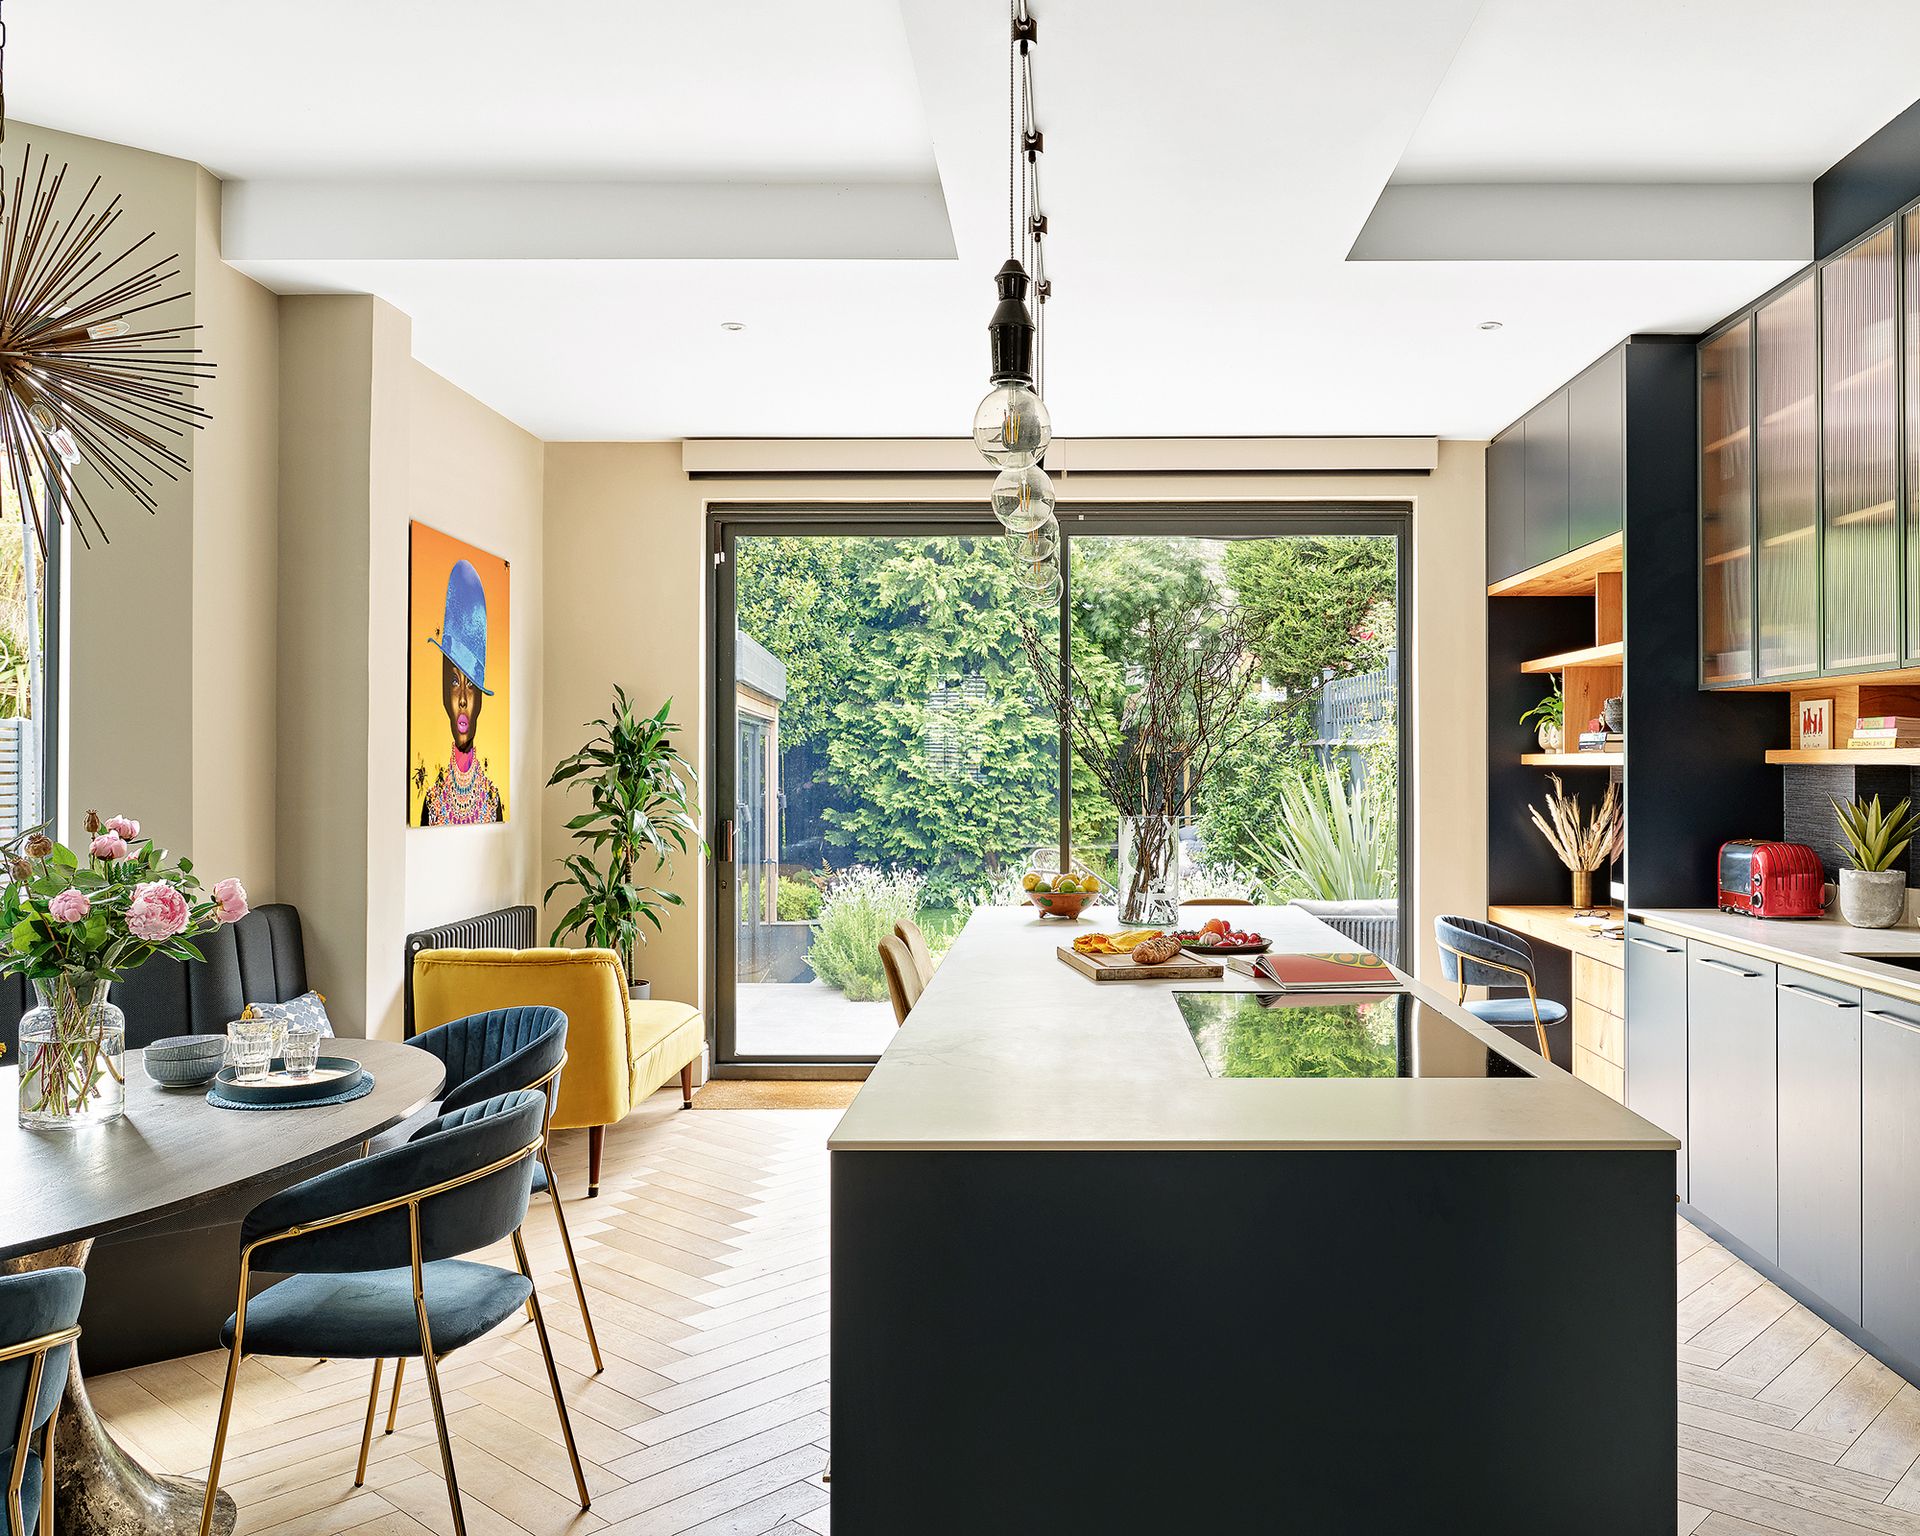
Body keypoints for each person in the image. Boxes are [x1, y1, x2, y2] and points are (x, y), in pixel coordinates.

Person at [421, 558, 504, 825]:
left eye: (471, 685)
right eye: (455, 683)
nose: (464, 700)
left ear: (480, 697)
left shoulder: (492, 801)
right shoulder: (432, 802)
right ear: (445, 693)